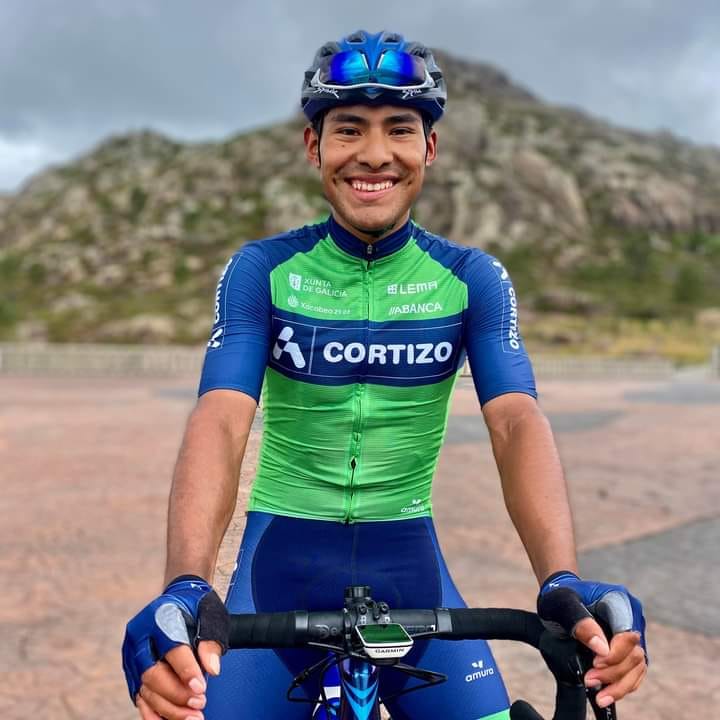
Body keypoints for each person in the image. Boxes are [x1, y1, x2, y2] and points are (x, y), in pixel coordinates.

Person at [122, 30, 647, 720]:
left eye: (400, 128)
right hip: (277, 567)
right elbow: (221, 416)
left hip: (411, 569)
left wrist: (561, 577)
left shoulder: (472, 278)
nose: (374, 153)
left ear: (429, 148)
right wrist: (187, 585)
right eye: (348, 129)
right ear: (314, 147)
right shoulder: (263, 270)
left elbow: (516, 421)